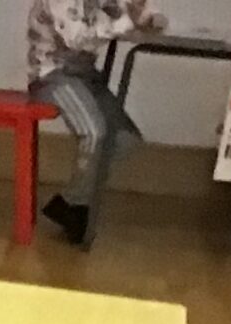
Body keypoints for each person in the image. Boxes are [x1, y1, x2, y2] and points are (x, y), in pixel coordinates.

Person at [25, 0, 164, 248]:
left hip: (86, 76)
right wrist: (126, 22)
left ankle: (70, 202)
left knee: (125, 139)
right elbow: (76, 38)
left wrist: (148, 19)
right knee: (94, 132)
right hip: (52, 74)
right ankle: (77, 207)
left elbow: (142, 19)